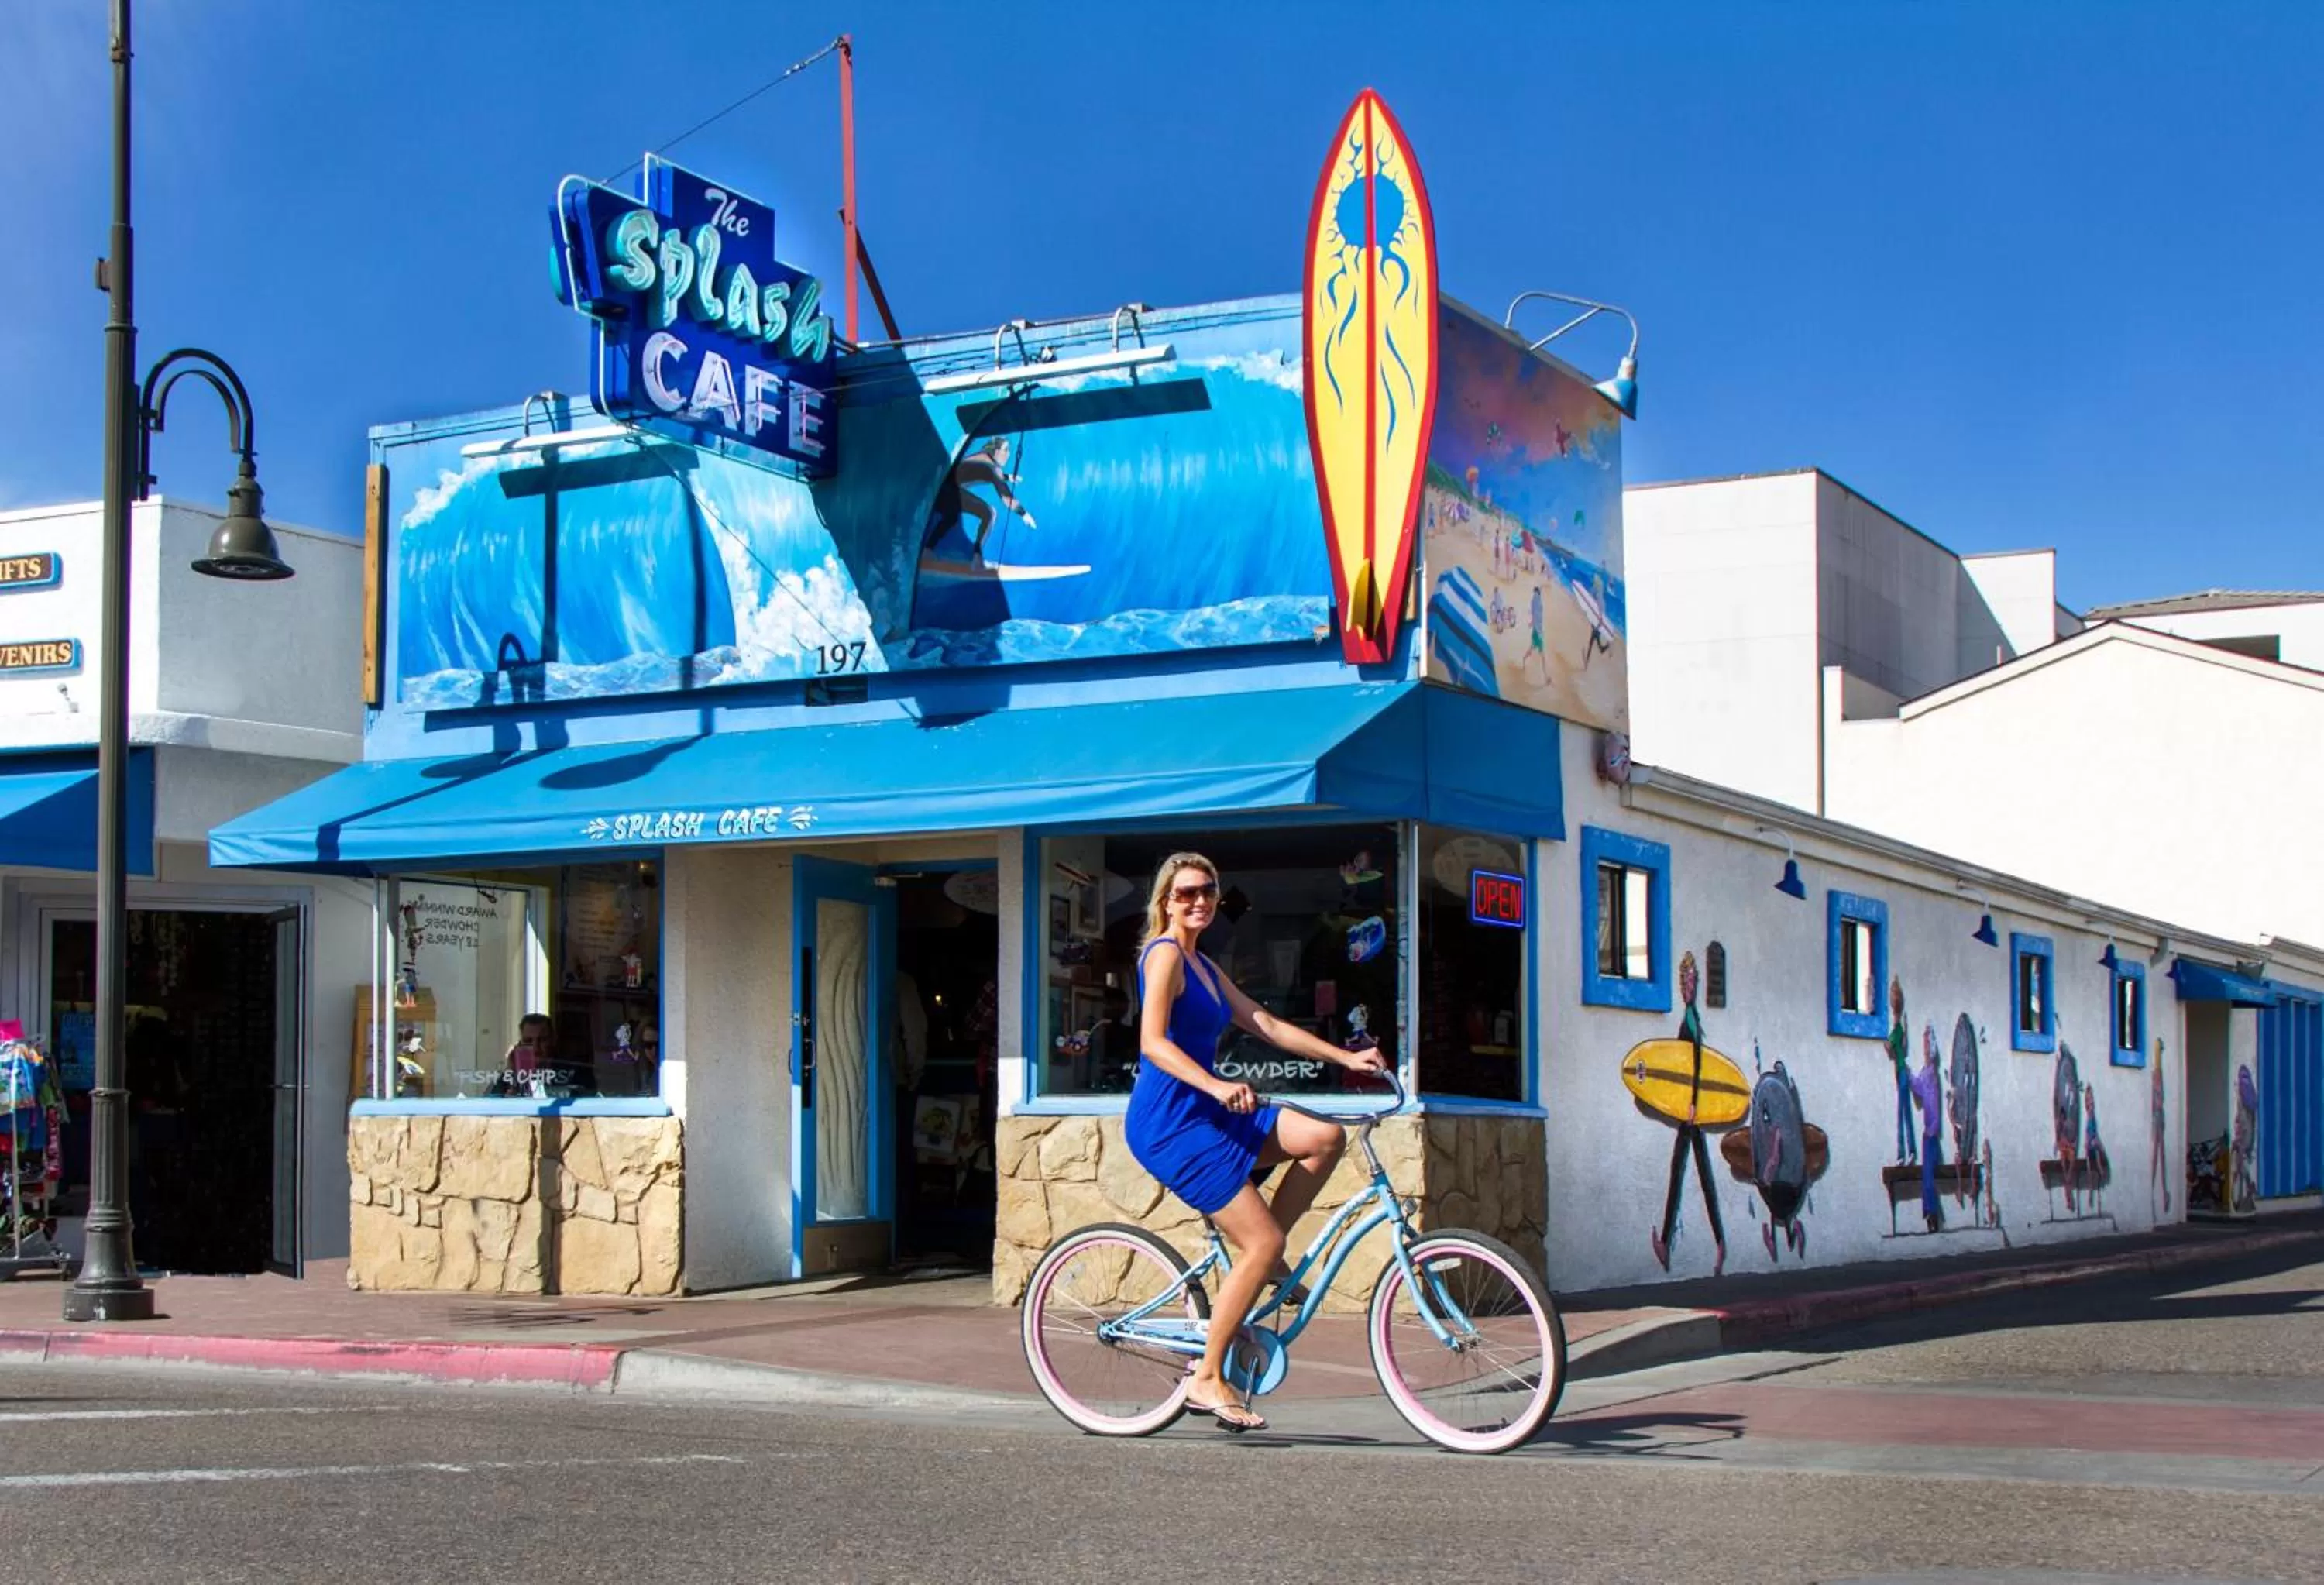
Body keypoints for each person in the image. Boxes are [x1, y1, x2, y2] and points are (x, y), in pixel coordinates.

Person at [1126, 852, 1387, 1432]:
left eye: (1209, 892)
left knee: (1324, 1137)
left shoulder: (1205, 966)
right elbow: (1152, 1045)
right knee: (1262, 1240)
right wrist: (1217, 1085)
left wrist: (1347, 1057)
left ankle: (1263, 1260)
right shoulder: (1164, 955)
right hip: (1172, 1122)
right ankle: (1207, 1377)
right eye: (1188, 892)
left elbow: (1264, 1024)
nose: (1200, 901)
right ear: (1167, 899)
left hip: (1210, 1111)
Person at [1650, 951, 1727, 1275]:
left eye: (1691, 981)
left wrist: (1693, 1102)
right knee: (1690, 1172)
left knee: (1686, 1173)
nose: (1687, 986)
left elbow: (1695, 1064)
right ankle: (1715, 1243)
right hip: (1686, 1109)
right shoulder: (1689, 1017)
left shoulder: (1692, 1019)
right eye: (1683, 981)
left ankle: (1673, 1243)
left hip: (1689, 1111)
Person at [922, 437, 1037, 565]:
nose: (1009, 454)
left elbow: (981, 473)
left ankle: (927, 550)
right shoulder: (992, 467)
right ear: (996, 451)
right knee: (989, 513)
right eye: (1006, 450)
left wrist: (1008, 477)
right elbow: (1006, 498)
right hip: (947, 491)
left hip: (939, 490)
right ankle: (977, 558)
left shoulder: (983, 458)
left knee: (951, 517)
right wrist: (1024, 514)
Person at [490, 1013, 554, 1098]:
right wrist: (510, 1069)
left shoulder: (568, 1072)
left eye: (542, 1040)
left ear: (552, 1041)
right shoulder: (516, 1072)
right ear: (520, 1045)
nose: (535, 1047)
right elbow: (489, 1102)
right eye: (528, 1041)